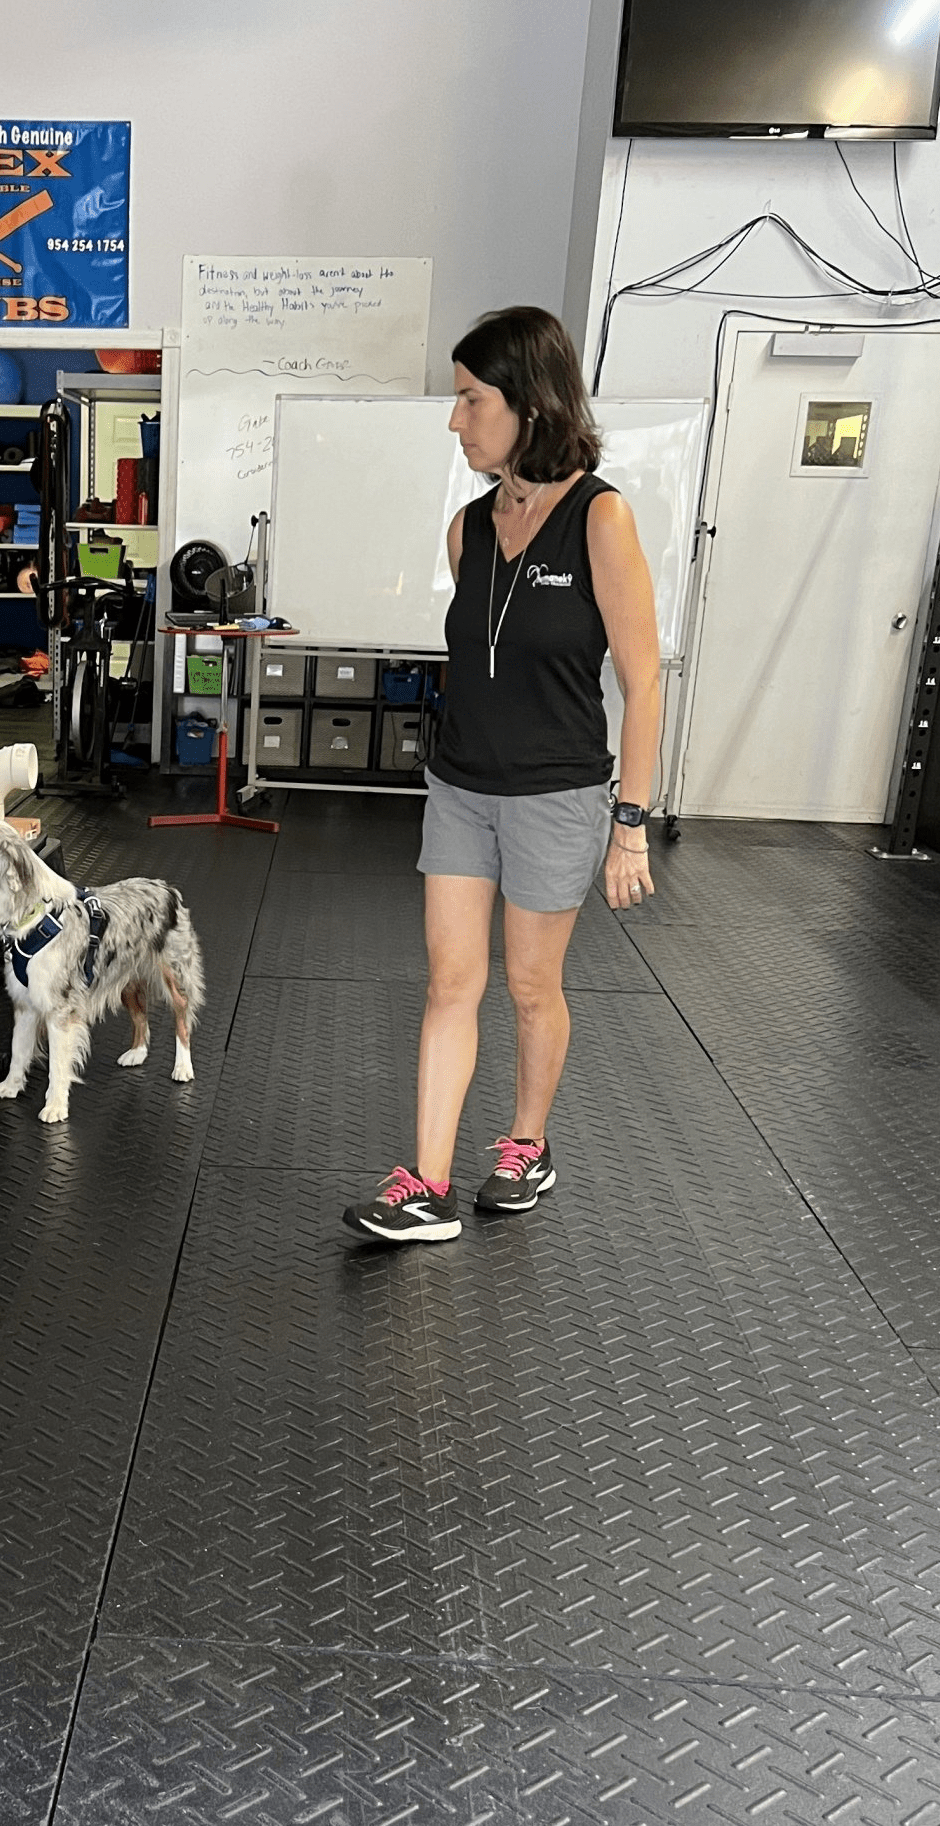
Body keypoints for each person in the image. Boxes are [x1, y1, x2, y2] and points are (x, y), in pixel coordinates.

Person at [344, 306, 660, 1243]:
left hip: (557, 793)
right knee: (449, 983)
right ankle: (428, 1185)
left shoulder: (601, 519)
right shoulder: (467, 530)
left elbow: (643, 684)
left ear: (527, 401)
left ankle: (526, 1143)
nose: (456, 420)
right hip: (460, 786)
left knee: (530, 986)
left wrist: (629, 824)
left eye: (470, 399)